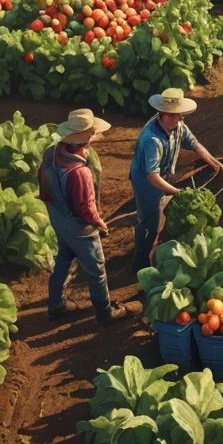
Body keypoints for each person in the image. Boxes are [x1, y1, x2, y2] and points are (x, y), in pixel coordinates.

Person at [38, 108, 138, 323]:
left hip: (58, 218)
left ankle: (56, 304)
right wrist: (99, 223)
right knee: (96, 269)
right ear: (86, 139)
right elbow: (85, 208)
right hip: (79, 227)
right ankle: (105, 312)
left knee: (64, 257)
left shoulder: (52, 152)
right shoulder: (79, 172)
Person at [129, 87, 223, 272]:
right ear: (162, 114)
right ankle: (139, 261)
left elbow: (196, 145)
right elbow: (152, 176)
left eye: (180, 114)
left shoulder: (179, 126)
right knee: (148, 221)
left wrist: (213, 161)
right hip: (145, 182)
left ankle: (152, 245)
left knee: (160, 217)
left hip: (162, 176)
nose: (179, 118)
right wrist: (178, 192)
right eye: (174, 115)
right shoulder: (151, 139)